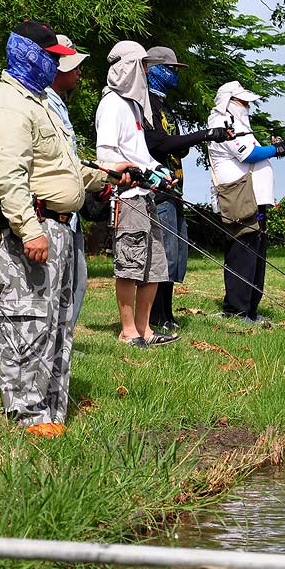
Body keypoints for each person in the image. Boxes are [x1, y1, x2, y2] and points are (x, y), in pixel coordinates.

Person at [0, 21, 134, 437]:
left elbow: (60, 170)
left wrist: (109, 178)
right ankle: (27, 416)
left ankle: (50, 410)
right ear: (28, 55)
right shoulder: (10, 106)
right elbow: (10, 178)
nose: (56, 66)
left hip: (63, 228)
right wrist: (29, 230)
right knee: (28, 319)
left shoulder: (40, 102)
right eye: (51, 58)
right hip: (35, 227)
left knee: (59, 321)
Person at [142, 46, 234, 331]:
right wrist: (205, 134)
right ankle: (156, 316)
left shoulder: (167, 105)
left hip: (176, 190)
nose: (174, 75)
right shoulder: (146, 105)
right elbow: (158, 143)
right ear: (153, 69)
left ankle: (167, 315)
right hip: (157, 191)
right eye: (170, 69)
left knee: (176, 255)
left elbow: (177, 148)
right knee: (162, 256)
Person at [95, 40, 177, 347]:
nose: (145, 72)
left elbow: (141, 153)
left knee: (155, 265)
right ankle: (127, 331)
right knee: (130, 265)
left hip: (147, 197)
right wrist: (128, 170)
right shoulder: (112, 104)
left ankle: (145, 330)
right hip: (126, 199)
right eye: (141, 65)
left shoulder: (133, 106)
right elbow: (105, 156)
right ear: (127, 68)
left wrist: (159, 170)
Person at [207, 81, 285, 321]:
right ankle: (235, 310)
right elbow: (248, 154)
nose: (248, 105)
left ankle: (251, 309)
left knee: (257, 252)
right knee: (242, 253)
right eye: (244, 101)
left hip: (254, 196)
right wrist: (274, 149)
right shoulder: (222, 121)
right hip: (238, 196)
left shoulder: (241, 122)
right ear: (230, 101)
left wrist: (272, 148)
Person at [45, 35, 89, 326]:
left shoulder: (58, 104)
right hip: (50, 217)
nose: (79, 72)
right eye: (73, 66)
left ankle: (62, 344)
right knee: (54, 290)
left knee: (76, 282)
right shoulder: (43, 104)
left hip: (70, 216)